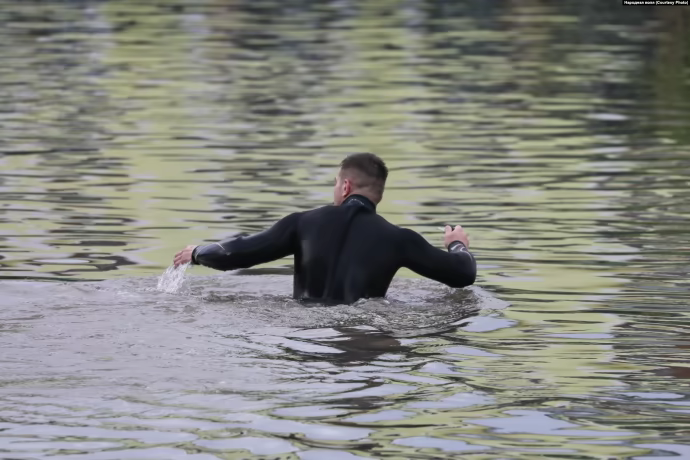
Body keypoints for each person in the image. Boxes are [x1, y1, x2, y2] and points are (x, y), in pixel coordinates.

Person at [173, 153, 476, 304]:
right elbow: (462, 274)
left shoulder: (302, 222)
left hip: (305, 332)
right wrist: (456, 244)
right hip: (362, 333)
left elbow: (236, 253)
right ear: (379, 195)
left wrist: (198, 252)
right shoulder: (399, 239)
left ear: (345, 186)